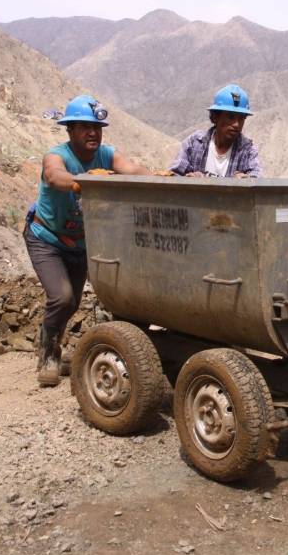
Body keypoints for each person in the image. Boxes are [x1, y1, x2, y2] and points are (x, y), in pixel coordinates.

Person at [26, 95, 151, 386]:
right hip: (47, 239)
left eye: (97, 126)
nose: (92, 132)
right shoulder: (57, 155)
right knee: (62, 297)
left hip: (82, 243)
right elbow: (55, 176)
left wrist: (162, 179)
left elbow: (132, 170)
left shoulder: (107, 154)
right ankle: (48, 353)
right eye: (84, 126)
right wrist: (87, 181)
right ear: (70, 130)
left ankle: (56, 345)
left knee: (74, 301)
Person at [167, 85, 262, 178]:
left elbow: (256, 178)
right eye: (230, 117)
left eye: (241, 118)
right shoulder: (195, 142)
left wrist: (246, 181)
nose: (236, 124)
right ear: (215, 117)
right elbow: (173, 175)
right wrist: (189, 180)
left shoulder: (248, 150)